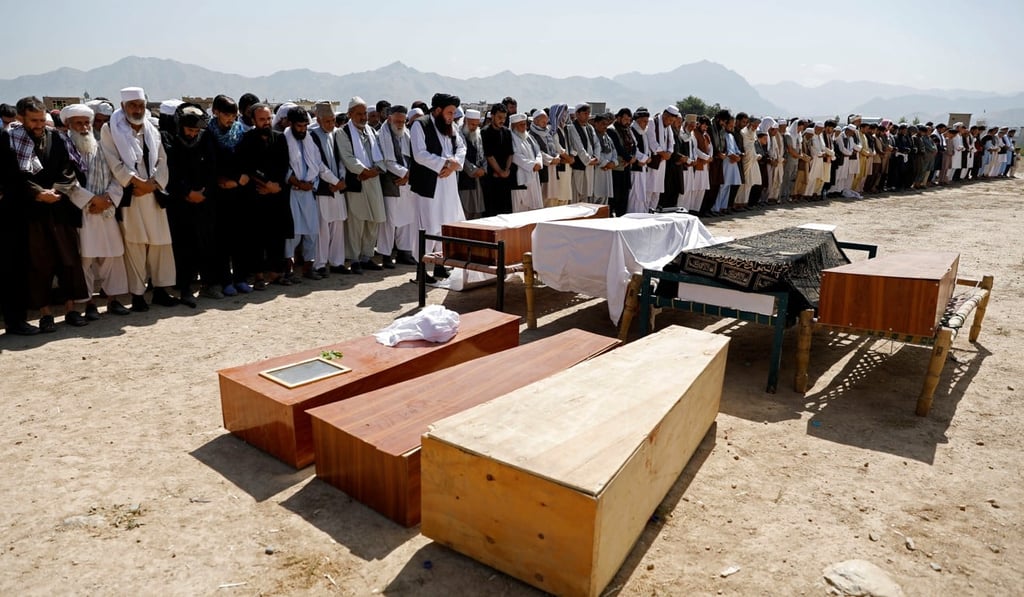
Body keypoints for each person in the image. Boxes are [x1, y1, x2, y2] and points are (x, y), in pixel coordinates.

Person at [10, 96, 91, 330]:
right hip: (31, 210)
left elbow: (68, 169)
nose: (38, 125)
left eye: (41, 119)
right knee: (39, 264)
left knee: (68, 260)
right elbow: (11, 175)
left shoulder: (57, 137)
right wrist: (37, 193)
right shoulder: (10, 140)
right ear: (21, 118)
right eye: (33, 120)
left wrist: (56, 191)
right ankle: (45, 314)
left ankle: (71, 309)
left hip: (59, 207)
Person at [99, 87, 177, 312]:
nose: (137, 109)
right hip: (131, 195)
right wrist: (137, 183)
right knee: (135, 245)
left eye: (141, 105)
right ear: (123, 106)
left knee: (161, 243)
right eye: (132, 105)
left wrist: (152, 185)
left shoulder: (152, 128)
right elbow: (113, 162)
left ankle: (161, 290)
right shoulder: (110, 129)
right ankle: (138, 295)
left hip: (153, 194)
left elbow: (162, 159)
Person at [58, 104, 132, 319]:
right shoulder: (63, 149)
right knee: (85, 259)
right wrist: (91, 200)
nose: (84, 128)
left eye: (86, 123)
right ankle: (89, 303)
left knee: (112, 256)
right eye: (78, 123)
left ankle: (113, 300)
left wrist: (107, 199)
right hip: (82, 211)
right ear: (68, 125)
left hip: (105, 210)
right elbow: (65, 180)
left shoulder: (102, 147)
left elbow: (117, 176)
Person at [161, 102, 218, 308]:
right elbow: (170, 171)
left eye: (196, 130)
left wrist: (204, 192)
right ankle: (184, 288)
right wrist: (186, 193)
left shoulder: (205, 138)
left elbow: (212, 167)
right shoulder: (168, 140)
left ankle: (208, 284)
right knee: (183, 247)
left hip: (203, 201)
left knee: (206, 243)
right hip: (180, 203)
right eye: (189, 130)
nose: (193, 134)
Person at [409, 93, 466, 280]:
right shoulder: (420, 125)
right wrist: (445, 163)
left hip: (448, 184)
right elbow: (419, 154)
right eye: (449, 112)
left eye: (454, 113)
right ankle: (421, 269)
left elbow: (461, 147)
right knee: (427, 226)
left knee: (446, 224)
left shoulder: (451, 126)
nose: (452, 117)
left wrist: (455, 163)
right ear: (438, 110)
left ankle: (441, 264)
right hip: (428, 185)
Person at [236, 103, 293, 287]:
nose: (266, 122)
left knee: (277, 236)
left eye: (268, 118)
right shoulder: (247, 140)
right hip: (256, 195)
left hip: (276, 194)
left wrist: (275, 186)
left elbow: (284, 164)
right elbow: (248, 166)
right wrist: (266, 184)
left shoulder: (279, 138)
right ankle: (259, 276)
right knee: (256, 237)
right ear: (253, 120)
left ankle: (276, 274)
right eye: (262, 119)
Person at [336, 96, 387, 273]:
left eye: (365, 113)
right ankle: (354, 258)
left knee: (373, 220)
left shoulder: (371, 131)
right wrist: (364, 171)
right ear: (350, 114)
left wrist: (376, 169)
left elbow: (380, 153)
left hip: (373, 180)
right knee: (356, 222)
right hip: (357, 181)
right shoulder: (343, 133)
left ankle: (367, 256)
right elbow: (347, 157)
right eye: (359, 114)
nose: (363, 117)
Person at [206, 94, 249, 297]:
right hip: (218, 194)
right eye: (226, 115)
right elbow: (209, 162)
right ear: (216, 112)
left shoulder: (240, 132)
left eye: (233, 115)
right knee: (221, 239)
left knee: (240, 237)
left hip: (239, 191)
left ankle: (240, 278)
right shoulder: (208, 133)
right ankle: (224, 280)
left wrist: (241, 178)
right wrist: (221, 180)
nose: (230, 119)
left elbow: (247, 158)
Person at [282, 106, 328, 280]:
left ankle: (308, 268)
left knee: (311, 230)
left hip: (308, 191)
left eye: (305, 126)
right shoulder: (283, 139)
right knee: (292, 234)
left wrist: (311, 183)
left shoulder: (309, 140)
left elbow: (316, 164)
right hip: (292, 192)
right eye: (299, 126)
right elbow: (283, 167)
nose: (302, 130)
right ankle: (288, 270)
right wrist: (297, 183)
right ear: (291, 124)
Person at [308, 101, 349, 276]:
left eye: (333, 120)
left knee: (338, 225)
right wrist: (334, 181)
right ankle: (320, 264)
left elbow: (341, 160)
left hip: (337, 187)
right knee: (323, 228)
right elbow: (318, 165)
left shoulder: (336, 134)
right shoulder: (312, 136)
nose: (331, 124)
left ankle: (337, 262)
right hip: (324, 189)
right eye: (327, 121)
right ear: (318, 120)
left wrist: (341, 179)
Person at [376, 104, 418, 267]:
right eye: (397, 121)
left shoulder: (407, 134)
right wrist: (406, 174)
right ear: (389, 119)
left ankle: (404, 252)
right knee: (389, 221)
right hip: (391, 183)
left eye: (403, 121)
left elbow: (414, 157)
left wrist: (408, 176)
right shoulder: (382, 135)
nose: (400, 124)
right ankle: (386, 255)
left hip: (406, 182)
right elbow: (387, 161)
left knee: (407, 217)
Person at [481, 103, 514, 216]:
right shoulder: (485, 132)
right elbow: (489, 156)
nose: (502, 120)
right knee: (492, 212)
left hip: (505, 178)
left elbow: (510, 154)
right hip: (491, 178)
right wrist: (499, 171)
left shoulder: (507, 132)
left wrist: (506, 170)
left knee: (506, 212)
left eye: (504, 118)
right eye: (499, 117)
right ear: (492, 116)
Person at [509, 112, 543, 212]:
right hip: (520, 178)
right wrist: (532, 165)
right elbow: (515, 155)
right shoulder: (511, 138)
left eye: (525, 124)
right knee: (520, 208)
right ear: (513, 126)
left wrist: (538, 162)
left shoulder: (529, 137)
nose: (525, 127)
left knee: (533, 208)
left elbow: (538, 151)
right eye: (521, 125)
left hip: (533, 175)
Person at [527, 110, 562, 205]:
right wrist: (551, 160)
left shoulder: (548, 133)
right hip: (543, 170)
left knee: (552, 199)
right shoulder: (530, 135)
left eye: (546, 121)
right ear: (535, 121)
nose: (545, 124)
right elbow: (537, 152)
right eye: (543, 121)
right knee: (543, 198)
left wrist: (557, 156)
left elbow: (553, 148)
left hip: (553, 169)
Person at [457, 109, 487, 220]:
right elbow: (461, 158)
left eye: (476, 124)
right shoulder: (458, 135)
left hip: (478, 180)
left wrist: (484, 169)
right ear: (465, 121)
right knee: (465, 211)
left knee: (477, 212)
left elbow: (483, 154)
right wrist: (473, 170)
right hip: (465, 179)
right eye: (471, 124)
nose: (474, 127)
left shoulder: (478, 135)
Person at [606, 108, 636, 217]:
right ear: (618, 118)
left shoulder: (627, 129)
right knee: (614, 197)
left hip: (626, 168)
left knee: (624, 198)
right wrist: (628, 158)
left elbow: (634, 145)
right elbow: (618, 147)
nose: (628, 122)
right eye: (625, 119)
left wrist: (631, 158)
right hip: (616, 169)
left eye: (629, 120)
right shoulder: (611, 130)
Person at [567, 103, 599, 202]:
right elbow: (578, 146)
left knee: (586, 195)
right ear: (577, 114)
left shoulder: (590, 127)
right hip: (579, 165)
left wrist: (596, 157)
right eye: (585, 113)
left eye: (588, 113)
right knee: (576, 194)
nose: (587, 116)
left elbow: (596, 143)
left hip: (590, 165)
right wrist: (588, 160)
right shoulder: (572, 127)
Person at [647, 106, 676, 209]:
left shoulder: (668, 127)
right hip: (653, 161)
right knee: (649, 188)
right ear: (665, 115)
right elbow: (652, 142)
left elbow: (671, 142)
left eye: (672, 121)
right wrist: (663, 153)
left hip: (662, 162)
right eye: (670, 120)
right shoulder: (652, 122)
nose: (670, 123)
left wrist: (669, 153)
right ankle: (645, 212)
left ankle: (652, 210)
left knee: (657, 190)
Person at [627, 107, 652, 213]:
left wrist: (648, 157)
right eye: (644, 121)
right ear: (638, 120)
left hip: (643, 167)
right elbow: (633, 149)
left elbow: (647, 148)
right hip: (635, 167)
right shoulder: (632, 130)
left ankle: (641, 213)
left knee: (641, 193)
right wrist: (644, 158)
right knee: (634, 193)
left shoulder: (643, 132)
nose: (646, 124)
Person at [591, 112, 617, 205]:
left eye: (606, 124)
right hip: (597, 170)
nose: (605, 126)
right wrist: (606, 163)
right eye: (603, 124)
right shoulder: (592, 136)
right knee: (594, 199)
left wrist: (613, 162)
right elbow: (594, 152)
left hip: (607, 170)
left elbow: (614, 151)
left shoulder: (607, 137)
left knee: (604, 199)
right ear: (596, 123)